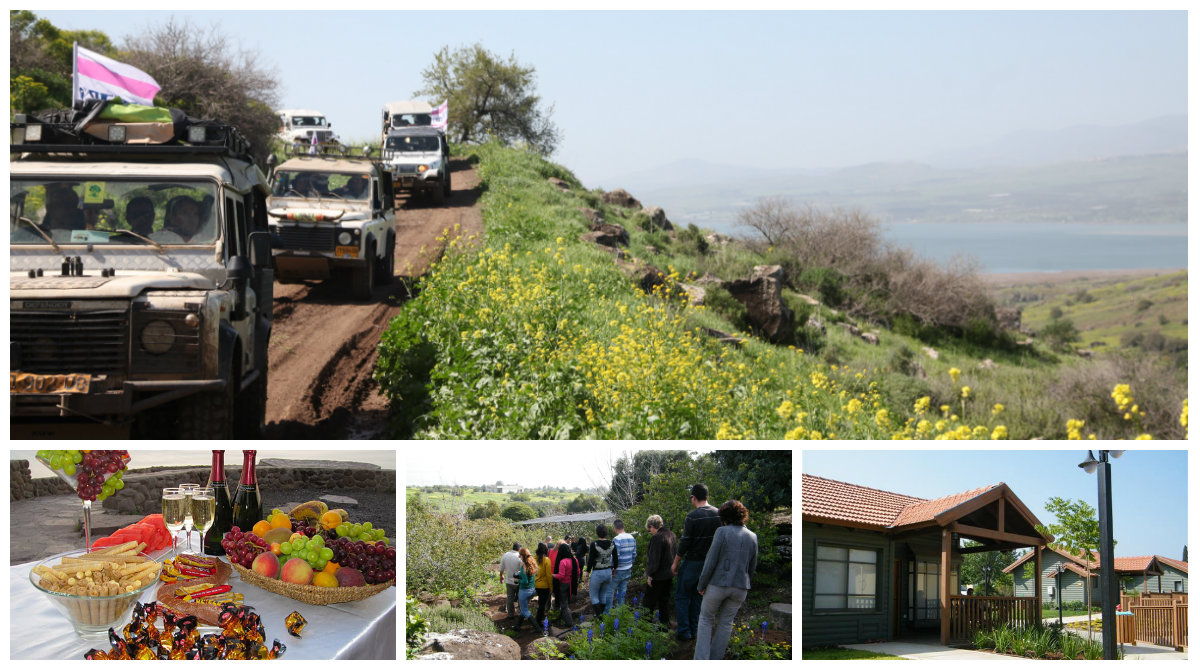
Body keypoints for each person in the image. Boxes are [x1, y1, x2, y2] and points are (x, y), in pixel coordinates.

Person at [694, 500, 757, 660]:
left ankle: (701, 661)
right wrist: (746, 583)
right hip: (740, 587)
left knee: (706, 619)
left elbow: (710, 561)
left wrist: (701, 584)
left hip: (718, 584)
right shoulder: (752, 536)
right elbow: (752, 566)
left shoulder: (722, 532)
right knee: (726, 623)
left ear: (724, 516)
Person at [671, 483, 721, 641]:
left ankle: (684, 632)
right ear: (707, 496)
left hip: (692, 562)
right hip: (710, 564)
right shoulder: (719, 514)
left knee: (682, 596)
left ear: (694, 497)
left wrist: (675, 562)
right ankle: (694, 630)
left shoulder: (692, 516)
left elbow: (685, 542)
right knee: (698, 596)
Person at [644, 514, 678, 626]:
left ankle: (646, 625)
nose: (650, 532)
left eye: (649, 529)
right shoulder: (671, 535)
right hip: (669, 574)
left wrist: (650, 575)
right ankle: (665, 624)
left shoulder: (657, 538)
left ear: (652, 526)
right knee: (664, 601)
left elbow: (654, 559)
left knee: (649, 601)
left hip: (658, 575)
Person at [587, 523, 616, 620]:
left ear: (597, 533)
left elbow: (590, 559)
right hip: (608, 572)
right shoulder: (612, 543)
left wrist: (587, 572)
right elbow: (615, 558)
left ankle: (599, 619)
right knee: (603, 595)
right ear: (606, 532)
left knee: (594, 596)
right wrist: (614, 569)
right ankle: (602, 617)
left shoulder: (594, 544)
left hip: (597, 573)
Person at [611, 519, 637, 609]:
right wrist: (631, 566)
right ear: (623, 527)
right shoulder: (631, 537)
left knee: (610, 591)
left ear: (615, 528)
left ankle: (608, 614)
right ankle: (620, 612)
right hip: (628, 569)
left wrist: (612, 569)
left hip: (618, 570)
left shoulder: (616, 539)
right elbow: (634, 554)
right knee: (622, 592)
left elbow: (615, 557)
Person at [552, 542, 576, 628]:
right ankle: (563, 618)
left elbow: (561, 576)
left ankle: (569, 622)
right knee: (566, 602)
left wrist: (553, 575)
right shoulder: (573, 560)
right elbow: (578, 571)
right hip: (570, 583)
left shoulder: (562, 561)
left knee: (564, 604)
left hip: (563, 584)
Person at [499, 542, 523, 624]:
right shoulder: (520, 557)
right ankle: (521, 613)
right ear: (519, 549)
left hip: (508, 580)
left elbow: (501, 567)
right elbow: (522, 570)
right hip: (518, 581)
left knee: (510, 598)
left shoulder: (506, 555)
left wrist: (501, 576)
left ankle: (510, 614)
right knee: (520, 598)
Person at [516, 547, 539, 631]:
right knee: (523, 608)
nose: (519, 557)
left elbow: (525, 581)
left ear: (522, 556)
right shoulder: (533, 564)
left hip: (524, 591)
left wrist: (518, 579)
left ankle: (537, 628)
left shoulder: (524, 566)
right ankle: (517, 626)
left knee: (525, 610)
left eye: (520, 555)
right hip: (532, 589)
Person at [534, 542, 553, 629]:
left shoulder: (533, 559)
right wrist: (551, 587)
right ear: (546, 550)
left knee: (540, 603)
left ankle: (539, 619)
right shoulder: (547, 560)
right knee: (542, 604)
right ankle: (538, 621)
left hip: (535, 584)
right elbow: (549, 575)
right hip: (544, 586)